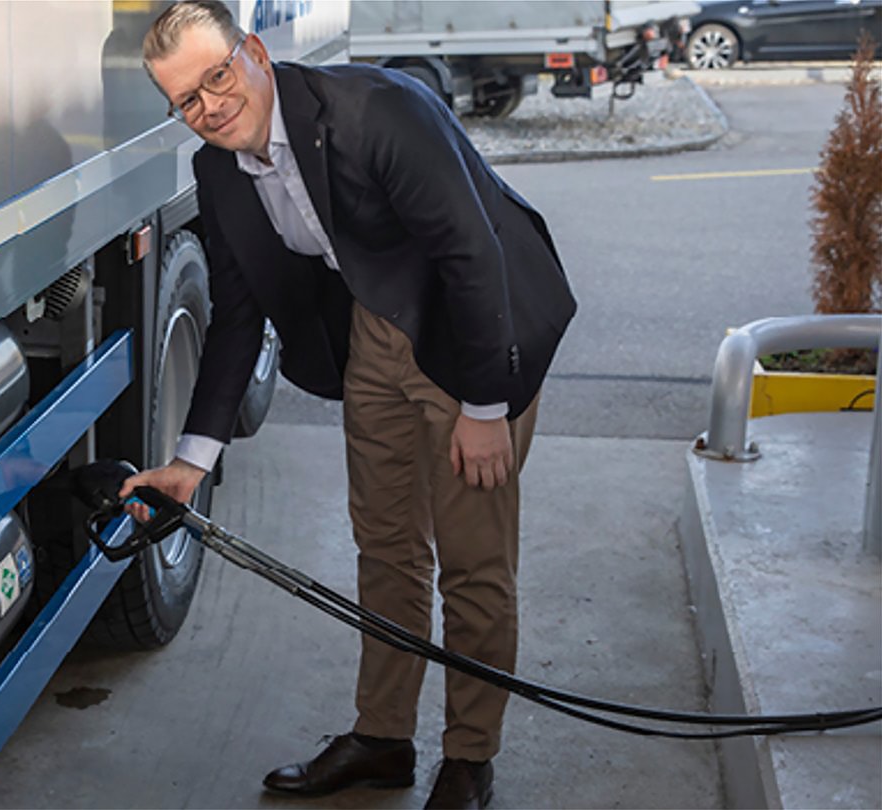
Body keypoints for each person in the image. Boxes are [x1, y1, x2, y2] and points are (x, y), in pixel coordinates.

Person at [122, 2, 577, 808]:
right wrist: (193, 462)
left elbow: (472, 252)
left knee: (473, 562)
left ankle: (470, 756)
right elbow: (237, 316)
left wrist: (482, 404)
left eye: (218, 76)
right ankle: (384, 737)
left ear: (254, 53)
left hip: (475, 325)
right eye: (186, 100)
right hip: (376, 326)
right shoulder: (218, 170)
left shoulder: (377, 112)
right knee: (387, 544)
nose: (210, 107)